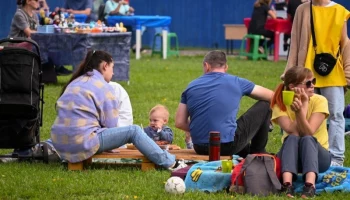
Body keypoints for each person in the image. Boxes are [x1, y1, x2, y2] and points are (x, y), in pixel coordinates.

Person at [50, 50, 186, 170]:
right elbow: (110, 125)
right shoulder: (105, 87)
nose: (113, 72)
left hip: (60, 144)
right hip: (82, 143)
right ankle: (171, 163)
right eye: (112, 68)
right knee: (134, 130)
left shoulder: (75, 82)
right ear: (105, 66)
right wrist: (109, 143)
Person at [280, 0, 350, 167]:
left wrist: (348, 72)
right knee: (301, 112)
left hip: (332, 72)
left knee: (336, 115)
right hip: (305, 73)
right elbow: (295, 42)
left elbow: (345, 42)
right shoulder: (302, 9)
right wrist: (290, 72)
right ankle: (305, 155)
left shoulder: (340, 11)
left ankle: (336, 158)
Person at [175, 50, 273, 158]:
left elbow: (179, 122)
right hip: (227, 145)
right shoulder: (237, 82)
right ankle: (258, 151)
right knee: (265, 105)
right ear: (226, 67)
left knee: (233, 134)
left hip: (199, 147)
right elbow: (271, 96)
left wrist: (200, 128)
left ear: (206, 65)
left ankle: (247, 151)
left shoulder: (190, 86)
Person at [271, 67, 331, 198]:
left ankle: (310, 186)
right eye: (308, 83)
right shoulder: (280, 103)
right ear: (292, 86)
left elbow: (309, 132)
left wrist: (301, 107)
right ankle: (287, 184)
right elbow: (293, 131)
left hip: (318, 158)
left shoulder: (320, 100)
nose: (313, 86)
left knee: (308, 139)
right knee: (292, 138)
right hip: (290, 157)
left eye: (313, 81)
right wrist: (302, 107)